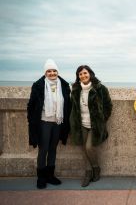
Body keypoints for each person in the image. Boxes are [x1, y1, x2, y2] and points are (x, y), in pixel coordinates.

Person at [27, 59, 71, 189]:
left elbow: (68, 103)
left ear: (58, 71)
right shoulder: (38, 85)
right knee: (43, 149)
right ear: (45, 72)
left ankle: (50, 176)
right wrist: (31, 120)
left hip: (58, 121)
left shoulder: (63, 85)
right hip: (44, 122)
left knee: (53, 149)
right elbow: (31, 105)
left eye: (54, 70)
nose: (52, 73)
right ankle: (41, 177)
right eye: (49, 71)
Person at [70, 65, 112, 187]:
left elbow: (108, 106)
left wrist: (102, 119)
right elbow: (72, 107)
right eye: (80, 74)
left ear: (90, 74)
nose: (83, 76)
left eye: (85, 73)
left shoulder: (100, 88)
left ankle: (96, 168)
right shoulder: (76, 89)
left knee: (89, 147)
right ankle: (88, 173)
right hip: (80, 124)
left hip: (95, 125)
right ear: (78, 77)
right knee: (84, 149)